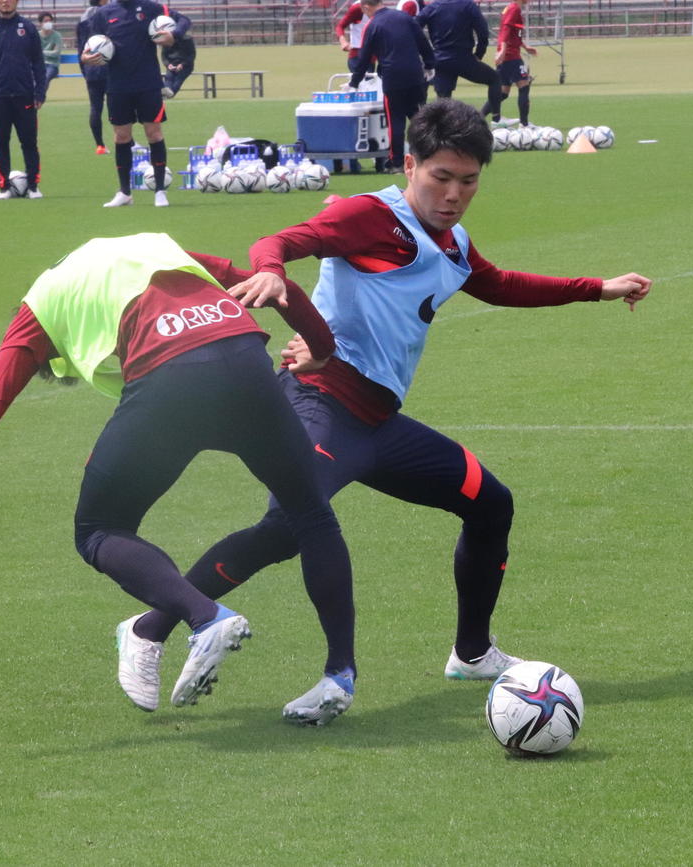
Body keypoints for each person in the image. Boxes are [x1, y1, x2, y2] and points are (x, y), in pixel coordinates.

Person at [122, 100, 651, 726]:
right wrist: (268, 272)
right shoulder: (372, 217)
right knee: (290, 529)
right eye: (441, 178)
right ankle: (150, 628)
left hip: (377, 425)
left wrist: (598, 288)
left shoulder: (453, 244)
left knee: (490, 503)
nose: (454, 194)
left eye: (469, 180)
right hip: (317, 403)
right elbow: (282, 241)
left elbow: (500, 284)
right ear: (410, 164)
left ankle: (473, 652)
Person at [0, 233, 357, 724]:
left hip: (171, 382)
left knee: (97, 529)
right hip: (244, 358)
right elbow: (280, 290)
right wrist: (322, 349)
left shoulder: (39, 309)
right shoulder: (152, 247)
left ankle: (207, 618)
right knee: (311, 515)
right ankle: (340, 675)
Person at [83, 0, 191, 207]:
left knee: (154, 133)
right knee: (122, 137)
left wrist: (174, 35)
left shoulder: (151, 8)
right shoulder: (103, 13)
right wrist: (86, 57)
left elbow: (184, 20)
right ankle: (125, 193)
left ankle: (160, 191)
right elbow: (90, 44)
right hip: (117, 85)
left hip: (148, 83)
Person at [0, 0, 47, 200]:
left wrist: (40, 92)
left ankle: (33, 186)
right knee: (0, 143)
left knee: (29, 142)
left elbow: (38, 63)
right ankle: (4, 187)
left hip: (25, 95)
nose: (6, 2)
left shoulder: (28, 28)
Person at [350, 0, 435, 173]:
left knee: (395, 121)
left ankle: (396, 163)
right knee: (419, 118)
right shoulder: (405, 17)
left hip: (392, 78)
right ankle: (427, 156)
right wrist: (429, 64)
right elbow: (423, 42)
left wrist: (354, 82)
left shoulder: (373, 25)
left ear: (366, 7)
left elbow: (364, 57)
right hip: (414, 75)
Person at [417, 0, 503, 121]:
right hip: (464, 58)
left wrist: (426, 52)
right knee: (494, 79)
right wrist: (479, 53)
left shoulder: (432, 7)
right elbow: (483, 30)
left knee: (443, 101)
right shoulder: (468, 5)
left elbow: (414, 26)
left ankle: (442, 133)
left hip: (441, 60)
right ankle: (496, 119)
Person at [333, 0, 373, 174]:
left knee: (373, 104)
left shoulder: (379, 7)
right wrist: (343, 41)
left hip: (372, 58)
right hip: (357, 56)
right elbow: (340, 26)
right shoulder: (357, 8)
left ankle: (371, 146)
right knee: (362, 104)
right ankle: (356, 151)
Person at [491, 0, 536, 128]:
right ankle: (524, 124)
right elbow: (506, 29)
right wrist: (503, 50)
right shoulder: (514, 9)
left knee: (503, 93)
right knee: (524, 85)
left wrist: (525, 46)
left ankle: (487, 118)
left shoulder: (513, 9)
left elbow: (515, 34)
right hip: (511, 55)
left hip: (509, 54)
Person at [76, 0, 109, 154]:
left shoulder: (83, 18)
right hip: (109, 67)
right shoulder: (108, 14)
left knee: (96, 108)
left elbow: (81, 48)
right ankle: (126, 140)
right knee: (116, 105)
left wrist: (85, 71)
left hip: (91, 69)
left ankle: (100, 145)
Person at [160, 21, 195, 98]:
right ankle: (166, 95)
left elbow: (191, 55)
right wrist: (168, 65)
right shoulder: (166, 40)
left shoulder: (187, 40)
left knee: (178, 80)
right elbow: (164, 56)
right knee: (168, 78)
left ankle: (169, 96)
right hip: (172, 65)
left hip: (185, 66)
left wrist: (182, 64)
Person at [38, 12, 62, 84]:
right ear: (40, 23)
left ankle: (39, 95)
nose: (48, 23)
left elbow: (56, 53)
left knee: (45, 78)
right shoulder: (36, 35)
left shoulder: (57, 35)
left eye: (50, 21)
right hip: (39, 64)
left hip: (52, 65)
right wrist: (49, 52)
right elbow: (34, 52)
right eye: (45, 21)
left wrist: (41, 52)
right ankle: (38, 95)